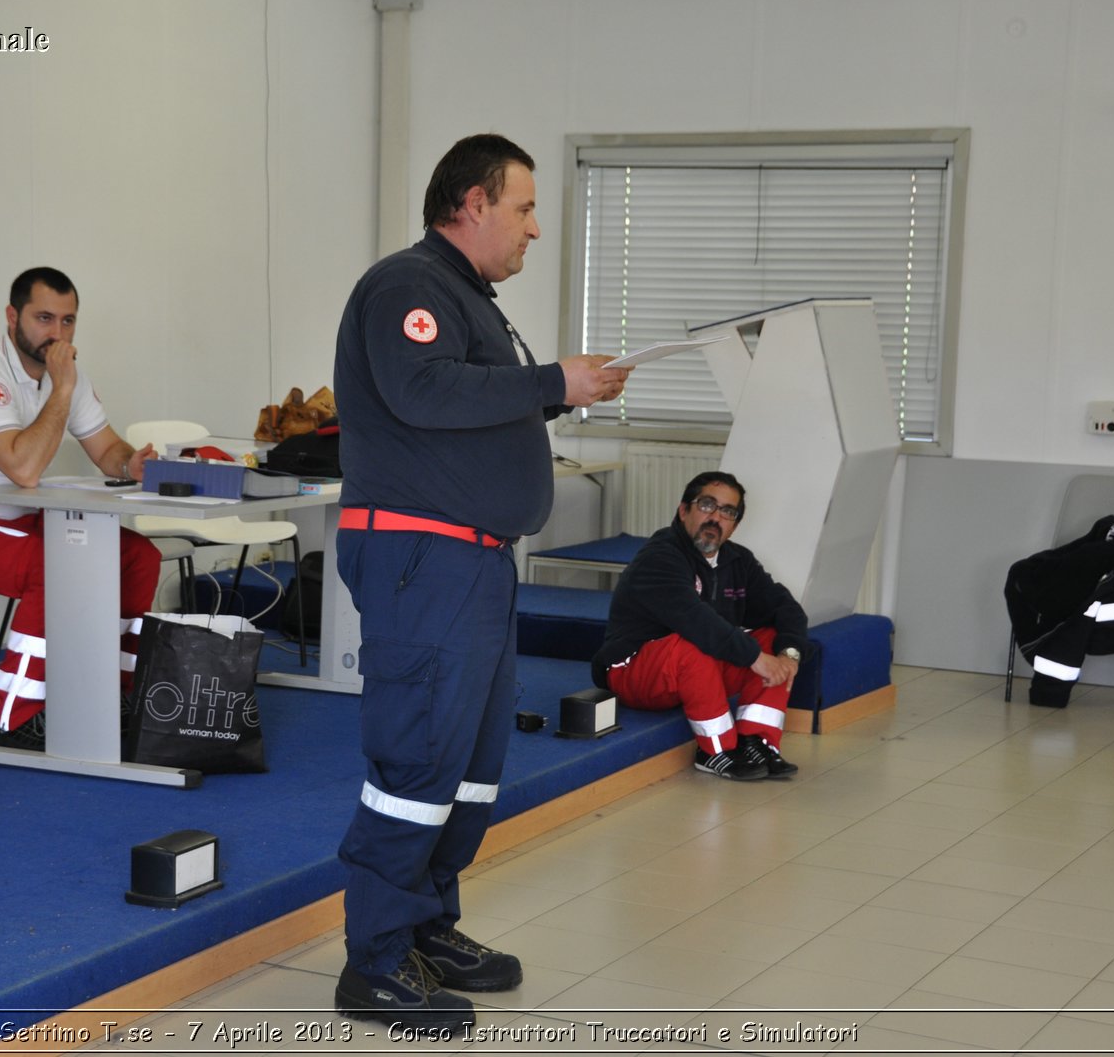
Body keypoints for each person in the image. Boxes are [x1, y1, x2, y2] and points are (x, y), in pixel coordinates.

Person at [330, 134, 629, 1030]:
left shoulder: (467, 299)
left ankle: (425, 926)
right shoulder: (407, 287)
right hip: (426, 562)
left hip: (473, 561)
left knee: (469, 767)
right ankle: (375, 961)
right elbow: (422, 391)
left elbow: (468, 398)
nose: (535, 228)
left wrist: (556, 392)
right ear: (471, 203)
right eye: (525, 207)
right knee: (419, 760)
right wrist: (550, 379)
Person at [0, 267, 162, 750]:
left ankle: (117, 696)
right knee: (60, 567)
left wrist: (133, 464)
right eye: (45, 318)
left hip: (16, 519)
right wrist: (61, 389)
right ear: (11, 316)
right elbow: (22, 468)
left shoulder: (66, 375)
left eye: (68, 322)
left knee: (137, 556)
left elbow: (107, 451)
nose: (57, 334)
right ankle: (9, 720)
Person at [592, 471, 808, 782]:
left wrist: (789, 654)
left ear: (734, 525)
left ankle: (755, 742)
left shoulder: (738, 561)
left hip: (698, 668)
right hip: (634, 670)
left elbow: (785, 608)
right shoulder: (661, 555)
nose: (715, 518)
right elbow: (693, 618)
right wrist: (754, 658)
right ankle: (715, 751)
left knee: (773, 638)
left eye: (727, 512)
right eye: (707, 505)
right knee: (695, 642)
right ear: (684, 511)